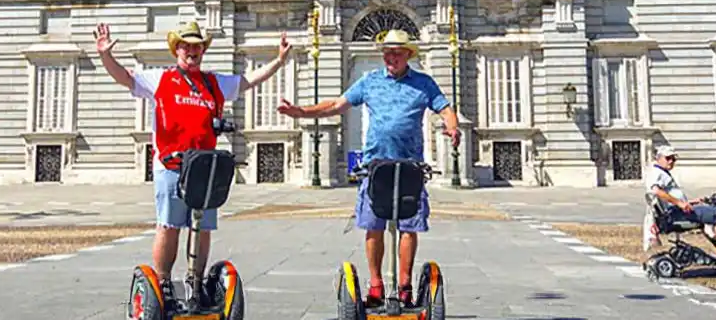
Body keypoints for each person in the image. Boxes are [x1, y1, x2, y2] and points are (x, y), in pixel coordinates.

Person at [94, 20, 292, 302]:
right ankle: (163, 282)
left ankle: (195, 283)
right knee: (169, 224)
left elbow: (249, 81)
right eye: (186, 45)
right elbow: (124, 77)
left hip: (204, 167)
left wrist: (279, 61)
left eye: (197, 46)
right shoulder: (161, 79)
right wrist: (105, 55)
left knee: (203, 226)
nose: (192, 50)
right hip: (170, 166)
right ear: (177, 49)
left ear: (203, 51)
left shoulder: (213, 82)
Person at [276, 29, 459, 308]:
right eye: (387, 51)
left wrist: (453, 125)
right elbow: (337, 105)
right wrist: (302, 112)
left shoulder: (424, 83)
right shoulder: (369, 81)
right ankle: (376, 285)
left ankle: (405, 286)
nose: (391, 56)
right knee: (373, 227)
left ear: (408, 54)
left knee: (409, 228)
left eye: (397, 52)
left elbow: (445, 109)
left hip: (410, 167)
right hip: (375, 168)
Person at [645, 145, 716, 261]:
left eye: (674, 159)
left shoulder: (662, 172)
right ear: (659, 158)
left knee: (710, 213)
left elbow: (668, 196)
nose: (671, 161)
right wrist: (680, 204)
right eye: (668, 158)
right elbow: (656, 191)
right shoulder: (657, 173)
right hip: (676, 214)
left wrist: (691, 202)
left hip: (676, 211)